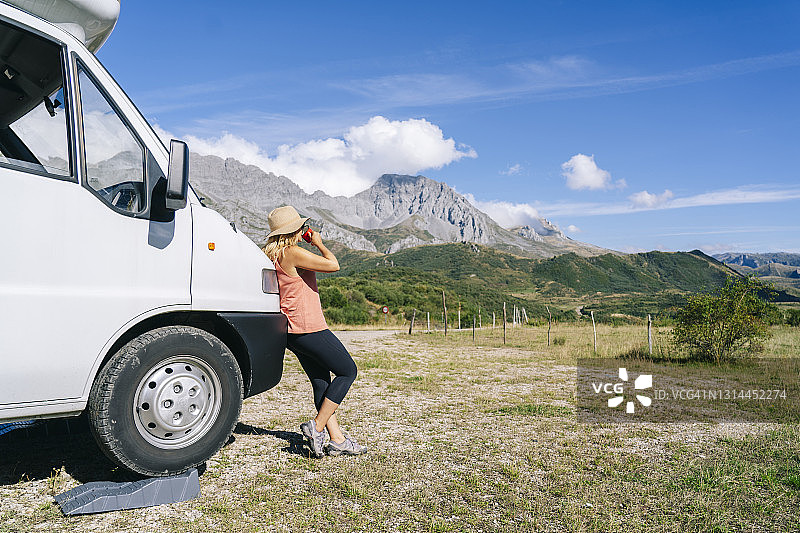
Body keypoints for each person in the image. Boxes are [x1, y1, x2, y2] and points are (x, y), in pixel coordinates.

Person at [262, 205, 366, 458]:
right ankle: (316, 427)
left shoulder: (273, 254)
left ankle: (338, 440)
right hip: (308, 326)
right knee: (347, 371)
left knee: (321, 381)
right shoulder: (293, 252)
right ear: (295, 230)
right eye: (300, 227)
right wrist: (318, 243)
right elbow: (334, 265)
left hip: (291, 330)